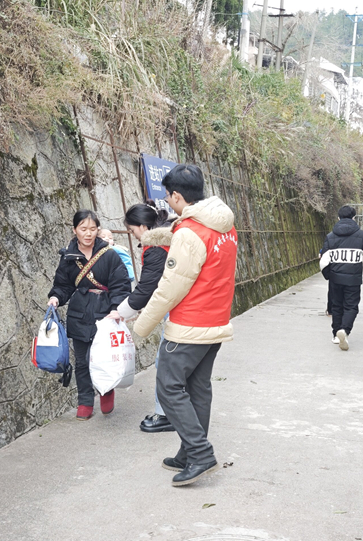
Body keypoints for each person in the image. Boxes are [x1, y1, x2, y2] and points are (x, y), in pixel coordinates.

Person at [133, 164, 238, 487]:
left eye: (168, 196)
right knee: (197, 387)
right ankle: (188, 451)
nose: (168, 201)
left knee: (168, 386)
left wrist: (141, 325)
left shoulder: (191, 233)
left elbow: (170, 286)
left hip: (189, 324)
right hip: (216, 320)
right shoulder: (224, 226)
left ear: (177, 196)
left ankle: (200, 452)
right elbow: (187, 238)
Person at [48, 210, 131, 420]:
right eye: (83, 229)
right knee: (83, 361)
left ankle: (105, 391)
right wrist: (56, 298)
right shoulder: (68, 257)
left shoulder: (109, 255)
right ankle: (85, 400)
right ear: (75, 229)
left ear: (98, 230)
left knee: (103, 358)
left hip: (105, 313)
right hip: (79, 311)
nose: (88, 233)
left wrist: (116, 308)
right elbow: (62, 285)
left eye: (93, 229)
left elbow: (121, 284)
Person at [115, 201, 174, 433]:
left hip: (177, 312)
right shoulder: (170, 238)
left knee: (165, 362)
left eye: (131, 230)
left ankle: (165, 415)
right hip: (188, 308)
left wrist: (120, 313)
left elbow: (147, 287)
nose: (133, 235)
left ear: (141, 226)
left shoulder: (156, 247)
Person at [319, 205, 363, 351]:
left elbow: (323, 260)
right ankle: (345, 330)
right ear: (354, 218)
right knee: (351, 306)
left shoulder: (330, 236)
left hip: (335, 278)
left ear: (338, 218)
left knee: (337, 306)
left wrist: (329, 276)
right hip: (353, 279)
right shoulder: (361, 235)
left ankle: (335, 335)